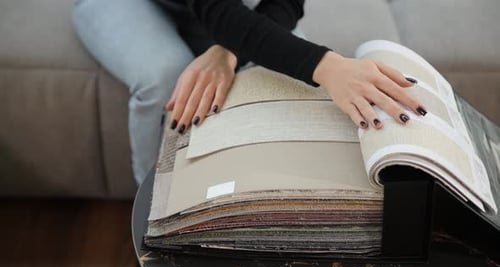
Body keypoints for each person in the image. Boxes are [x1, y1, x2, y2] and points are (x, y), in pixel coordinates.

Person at [72, 0, 427, 185]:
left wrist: (228, 51)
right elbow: (219, 13)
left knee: (277, 74)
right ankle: (153, 218)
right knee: (166, 76)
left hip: (216, 9)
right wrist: (330, 67)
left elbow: (286, 4)